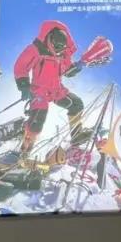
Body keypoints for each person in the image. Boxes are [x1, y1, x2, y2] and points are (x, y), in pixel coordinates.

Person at [12, 19, 88, 157]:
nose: (58, 50)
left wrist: (78, 66)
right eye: (56, 46)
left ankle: (76, 135)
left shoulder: (63, 53)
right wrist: (24, 86)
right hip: (39, 91)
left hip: (56, 90)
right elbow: (21, 66)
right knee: (38, 119)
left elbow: (66, 71)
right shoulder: (36, 49)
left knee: (76, 104)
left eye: (61, 48)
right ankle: (24, 149)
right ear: (50, 39)